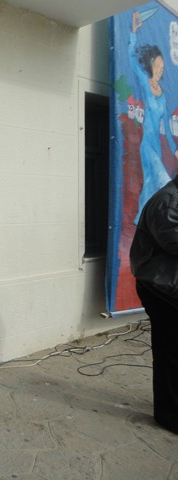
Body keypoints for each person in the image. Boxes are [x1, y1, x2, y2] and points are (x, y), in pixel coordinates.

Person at [130, 174, 178, 435]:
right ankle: (169, 416)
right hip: (160, 289)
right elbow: (173, 242)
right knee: (169, 353)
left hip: (170, 286)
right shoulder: (168, 201)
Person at [130, 11, 178, 224]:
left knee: (150, 184)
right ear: (150, 66)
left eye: (162, 67)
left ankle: (141, 220)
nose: (159, 70)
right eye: (157, 66)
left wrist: (175, 150)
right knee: (163, 180)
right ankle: (155, 221)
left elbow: (166, 127)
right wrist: (133, 33)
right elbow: (132, 60)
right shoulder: (145, 83)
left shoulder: (163, 95)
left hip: (157, 146)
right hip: (147, 146)